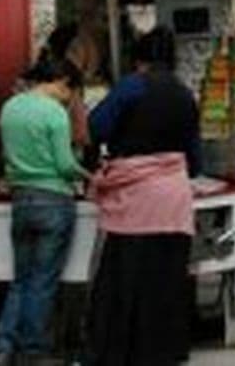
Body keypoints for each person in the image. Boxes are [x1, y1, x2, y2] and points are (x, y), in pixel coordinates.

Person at [87, 26, 201, 366]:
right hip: (174, 196)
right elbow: (194, 157)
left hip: (135, 197)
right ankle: (164, 350)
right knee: (166, 276)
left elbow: (97, 126)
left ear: (140, 61)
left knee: (126, 276)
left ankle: (120, 351)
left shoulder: (131, 87)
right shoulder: (185, 94)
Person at [0, 55, 87, 365]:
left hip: (21, 200)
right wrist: (88, 175)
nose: (70, 99)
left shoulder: (10, 107)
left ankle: (3, 346)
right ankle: (34, 350)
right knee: (43, 280)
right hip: (54, 201)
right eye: (71, 92)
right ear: (62, 84)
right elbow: (64, 165)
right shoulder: (55, 114)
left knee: (20, 279)